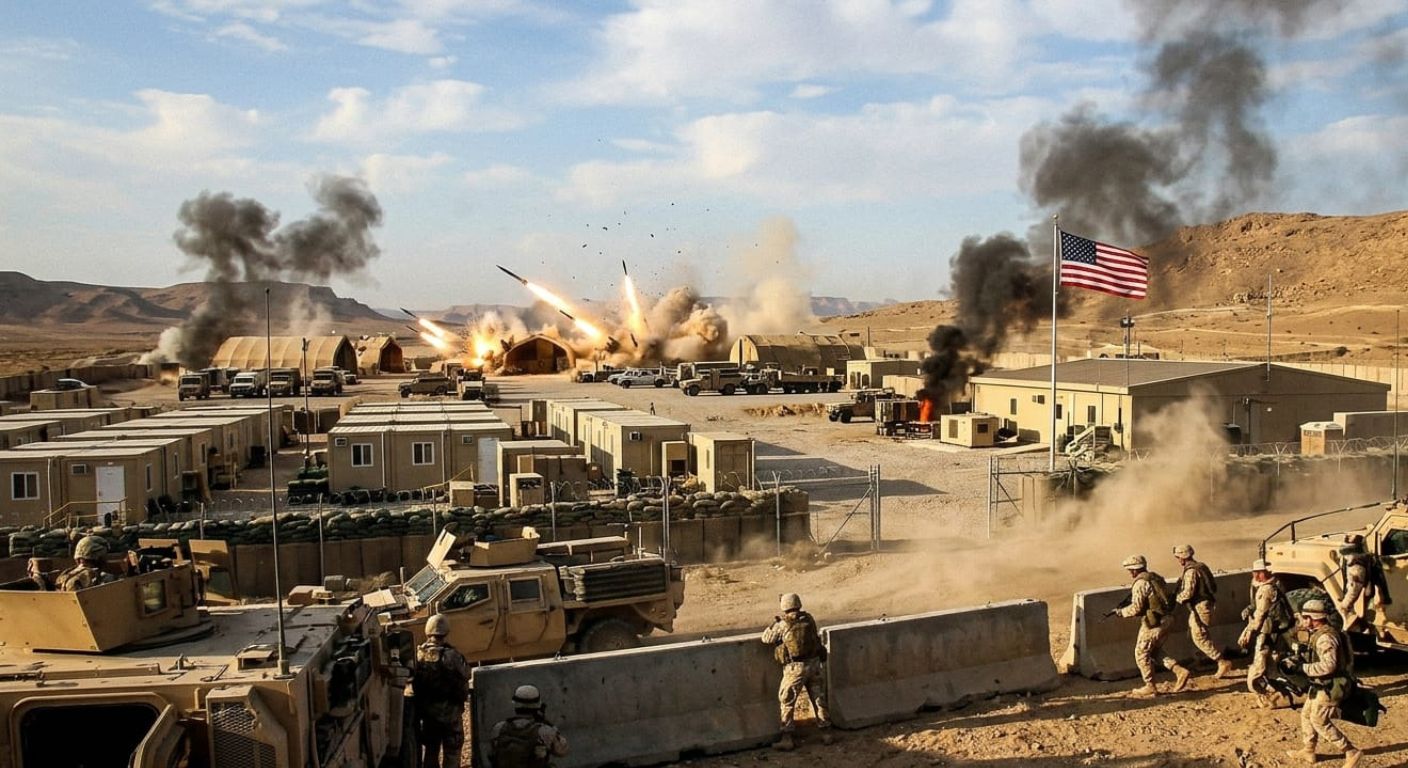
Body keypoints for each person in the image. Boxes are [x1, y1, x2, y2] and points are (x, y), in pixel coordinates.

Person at [1284, 599, 1361, 768]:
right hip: (1321, 684)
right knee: (1306, 715)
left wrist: (1302, 668)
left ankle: (1350, 751)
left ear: (1313, 618)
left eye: (1305, 617)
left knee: (1319, 720)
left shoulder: (1325, 638)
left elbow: (1328, 666)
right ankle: (1308, 750)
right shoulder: (1319, 633)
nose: (1303, 621)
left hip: (1331, 686)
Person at [761, 593, 832, 750]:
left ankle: (787, 738)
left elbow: (766, 638)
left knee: (787, 701)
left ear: (784, 606)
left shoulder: (783, 624)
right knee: (818, 699)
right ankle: (826, 733)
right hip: (814, 664)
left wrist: (773, 624)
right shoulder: (809, 618)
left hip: (795, 669)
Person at [1114, 555, 1190, 697]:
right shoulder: (1156, 577)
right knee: (1154, 651)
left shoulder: (1140, 583)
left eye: (1130, 570)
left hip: (1154, 623)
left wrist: (1121, 612)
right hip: (1167, 619)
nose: (1130, 573)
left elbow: (1136, 608)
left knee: (1141, 653)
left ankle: (1150, 686)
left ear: (1134, 570)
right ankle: (1179, 671)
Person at [413, 614, 470, 768]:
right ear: (446, 631)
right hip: (451, 713)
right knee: (452, 753)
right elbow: (466, 674)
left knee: (431, 752)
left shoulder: (419, 655)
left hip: (429, 715)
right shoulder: (452, 655)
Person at [1172, 544, 1234, 679]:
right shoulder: (1200, 566)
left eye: (1178, 557)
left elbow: (1187, 593)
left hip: (1200, 607)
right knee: (1195, 633)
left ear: (1182, 557)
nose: (1178, 560)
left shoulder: (1191, 571)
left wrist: (1175, 600)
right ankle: (1200, 660)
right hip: (1203, 605)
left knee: (1199, 636)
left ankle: (1221, 661)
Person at [1239, 559, 1295, 707]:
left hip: (1268, 632)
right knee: (1270, 666)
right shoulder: (1266, 586)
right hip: (1270, 632)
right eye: (1255, 572)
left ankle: (1267, 696)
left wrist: (1249, 631)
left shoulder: (1266, 589)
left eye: (1260, 572)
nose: (1256, 575)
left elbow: (1261, 613)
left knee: (1259, 667)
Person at [488, 684, 569, 767]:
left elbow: (492, 754)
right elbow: (562, 751)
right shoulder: (543, 730)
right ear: (537, 706)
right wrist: (548, 723)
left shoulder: (499, 728)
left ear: (515, 704)